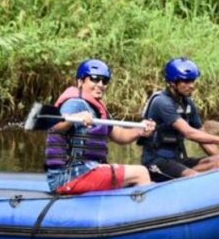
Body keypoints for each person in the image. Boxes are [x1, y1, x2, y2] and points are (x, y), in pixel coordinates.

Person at [45, 59, 156, 195]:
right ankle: (142, 213)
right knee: (141, 173)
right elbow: (54, 126)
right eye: (95, 79)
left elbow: (119, 135)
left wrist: (140, 130)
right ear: (80, 82)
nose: (100, 84)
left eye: (104, 81)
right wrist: (75, 118)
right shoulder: (74, 103)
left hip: (89, 170)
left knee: (146, 180)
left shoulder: (98, 109)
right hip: (69, 176)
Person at [139, 57, 219, 181]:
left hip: (177, 160)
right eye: (186, 82)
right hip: (156, 162)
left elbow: (202, 135)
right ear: (173, 83)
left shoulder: (187, 103)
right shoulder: (161, 102)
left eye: (192, 81)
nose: (191, 86)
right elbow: (189, 133)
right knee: (192, 176)